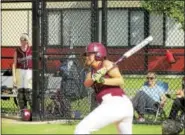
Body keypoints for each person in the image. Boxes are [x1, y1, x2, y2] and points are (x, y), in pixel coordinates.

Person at [74, 42, 133, 134]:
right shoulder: (90, 73)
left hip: (115, 103)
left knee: (81, 129)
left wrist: (103, 80)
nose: (86, 57)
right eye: (86, 54)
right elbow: (87, 83)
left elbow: (120, 81)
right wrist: (97, 75)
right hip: (121, 105)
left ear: (98, 54)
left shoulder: (106, 63)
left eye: (89, 54)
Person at [12, 33, 32, 110]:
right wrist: (14, 77)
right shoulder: (17, 50)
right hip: (19, 71)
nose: (22, 42)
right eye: (21, 40)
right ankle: (23, 110)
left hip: (29, 72)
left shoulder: (31, 50)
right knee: (20, 93)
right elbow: (14, 64)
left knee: (28, 92)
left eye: (24, 40)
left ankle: (34, 112)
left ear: (27, 41)